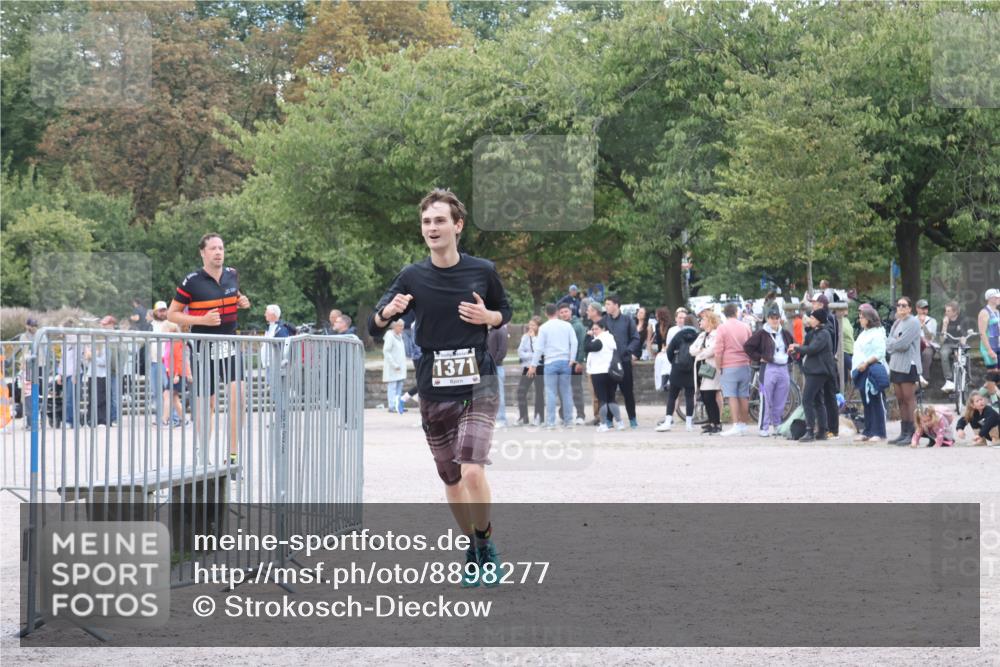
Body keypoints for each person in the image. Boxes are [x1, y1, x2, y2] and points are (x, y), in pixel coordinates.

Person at [367, 188, 512, 587]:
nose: (433, 227)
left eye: (440, 220)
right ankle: (472, 547)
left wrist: (489, 315)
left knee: (471, 472)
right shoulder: (412, 276)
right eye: (427, 222)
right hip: (433, 387)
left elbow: (506, 312)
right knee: (450, 479)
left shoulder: (481, 269)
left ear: (457, 225)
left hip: (478, 382)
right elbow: (373, 323)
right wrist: (387, 313)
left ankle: (487, 545)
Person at [168, 233, 252, 464]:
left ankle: (233, 455)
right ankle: (203, 453)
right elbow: (172, 314)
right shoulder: (192, 281)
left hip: (230, 343)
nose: (218, 253)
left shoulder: (232, 274)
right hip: (204, 347)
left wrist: (242, 301)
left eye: (221, 248)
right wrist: (202, 320)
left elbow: (233, 296)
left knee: (239, 395)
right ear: (203, 253)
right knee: (209, 403)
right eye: (213, 248)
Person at [743, 305, 794, 437]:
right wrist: (759, 358)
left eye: (777, 318)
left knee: (780, 399)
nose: (775, 320)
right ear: (767, 319)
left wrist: (792, 354)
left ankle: (777, 425)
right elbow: (748, 347)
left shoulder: (785, 333)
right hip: (768, 368)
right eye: (772, 318)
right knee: (766, 399)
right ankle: (763, 427)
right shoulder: (761, 333)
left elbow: (793, 346)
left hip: (783, 368)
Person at [788, 308, 836, 442]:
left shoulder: (824, 333)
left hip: (819, 371)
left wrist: (796, 347)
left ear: (819, 320)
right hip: (815, 370)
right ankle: (822, 431)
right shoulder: (814, 333)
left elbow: (812, 349)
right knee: (817, 401)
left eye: (813, 318)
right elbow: (806, 346)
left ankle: (810, 430)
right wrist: (796, 352)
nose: (810, 320)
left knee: (807, 400)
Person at [529, 303, 578, 429]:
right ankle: (568, 421)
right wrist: (572, 359)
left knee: (550, 392)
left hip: (550, 361)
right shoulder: (567, 325)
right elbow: (574, 342)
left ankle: (551, 422)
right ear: (557, 312)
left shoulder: (544, 328)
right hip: (565, 361)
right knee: (566, 392)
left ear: (546, 314)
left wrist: (533, 365)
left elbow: (539, 348)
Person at [885, 296, 922, 446]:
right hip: (895, 365)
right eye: (898, 305)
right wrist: (895, 342)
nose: (900, 307)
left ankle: (913, 432)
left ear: (909, 308)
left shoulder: (913, 322)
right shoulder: (897, 322)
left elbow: (903, 344)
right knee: (900, 399)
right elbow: (888, 343)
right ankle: (904, 432)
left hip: (908, 365)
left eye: (903, 305)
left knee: (909, 398)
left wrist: (894, 342)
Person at [851, 304, 889, 442]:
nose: (860, 319)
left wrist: (866, 363)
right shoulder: (863, 333)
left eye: (862, 317)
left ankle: (879, 432)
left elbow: (879, 353)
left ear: (869, 319)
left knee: (875, 400)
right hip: (861, 371)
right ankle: (868, 430)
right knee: (866, 402)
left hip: (872, 369)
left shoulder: (878, 333)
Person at [714, 302, 753, 437]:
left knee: (731, 396)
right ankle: (743, 424)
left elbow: (718, 350)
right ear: (736, 312)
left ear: (725, 313)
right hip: (744, 364)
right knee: (744, 395)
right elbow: (750, 345)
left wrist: (719, 367)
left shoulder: (722, 328)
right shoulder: (746, 327)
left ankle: (735, 424)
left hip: (729, 365)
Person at [604, 294, 641, 428]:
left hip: (624, 361)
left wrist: (628, 350)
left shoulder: (627, 320)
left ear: (616, 305)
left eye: (608, 304)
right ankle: (609, 419)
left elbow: (636, 338)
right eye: (606, 304)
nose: (606, 307)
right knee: (609, 392)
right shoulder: (604, 321)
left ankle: (632, 418)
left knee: (627, 392)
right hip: (608, 362)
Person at [658, 314, 699, 432]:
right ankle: (689, 423)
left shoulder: (678, 335)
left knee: (672, 396)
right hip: (691, 370)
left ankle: (667, 421)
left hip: (677, 369)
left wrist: (674, 363)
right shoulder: (698, 336)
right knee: (690, 396)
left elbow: (669, 352)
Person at [585, 319, 625, 432]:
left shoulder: (600, 340)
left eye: (596, 329)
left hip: (599, 372)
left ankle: (603, 424)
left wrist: (587, 336)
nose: (594, 331)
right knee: (611, 398)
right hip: (611, 372)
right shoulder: (611, 338)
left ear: (603, 329)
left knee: (602, 399)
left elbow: (587, 347)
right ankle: (620, 422)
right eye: (592, 329)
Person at [691, 308, 722, 434]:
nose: (700, 321)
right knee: (705, 396)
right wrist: (700, 352)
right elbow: (691, 349)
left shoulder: (716, 335)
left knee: (709, 395)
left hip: (712, 368)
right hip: (701, 369)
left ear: (710, 321)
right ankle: (711, 422)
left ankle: (716, 423)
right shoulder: (702, 335)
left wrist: (700, 353)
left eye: (703, 319)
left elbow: (712, 350)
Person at [558, 303, 587, 425]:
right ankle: (564, 413)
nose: (564, 314)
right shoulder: (559, 326)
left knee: (576, 389)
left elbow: (582, 344)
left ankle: (580, 414)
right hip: (562, 362)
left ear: (570, 312)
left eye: (566, 311)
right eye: (562, 312)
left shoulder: (578, 326)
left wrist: (580, 361)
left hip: (575, 362)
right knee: (562, 389)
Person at [516, 317, 544, 426]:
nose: (530, 327)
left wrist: (533, 339)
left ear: (538, 326)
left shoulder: (541, 337)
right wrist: (532, 356)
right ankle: (523, 417)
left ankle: (539, 417)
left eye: (533, 325)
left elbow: (540, 352)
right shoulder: (525, 337)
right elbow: (520, 352)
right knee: (521, 391)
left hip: (539, 367)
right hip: (527, 367)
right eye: (530, 325)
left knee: (539, 393)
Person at [162, 321, 191, 427]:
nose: (162, 330)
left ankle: (164, 420)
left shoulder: (177, 342)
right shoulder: (169, 342)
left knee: (167, 394)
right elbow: (167, 358)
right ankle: (184, 420)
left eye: (164, 328)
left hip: (176, 374)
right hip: (172, 373)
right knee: (174, 398)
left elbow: (180, 359)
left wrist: (176, 375)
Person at [939, 301, 972, 392]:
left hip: (959, 343)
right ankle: (949, 380)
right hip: (948, 343)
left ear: (955, 312)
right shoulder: (944, 320)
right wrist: (945, 325)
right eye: (946, 311)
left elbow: (966, 334)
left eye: (948, 311)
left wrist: (964, 338)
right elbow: (941, 340)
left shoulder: (963, 319)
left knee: (965, 355)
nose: (946, 313)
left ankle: (968, 378)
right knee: (943, 353)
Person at [149, 301, 172, 425]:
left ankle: (173, 418)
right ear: (155, 312)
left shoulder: (170, 324)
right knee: (156, 392)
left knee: (168, 392)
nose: (163, 312)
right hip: (154, 362)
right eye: (160, 310)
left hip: (166, 361)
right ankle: (160, 418)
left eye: (164, 310)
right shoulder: (150, 325)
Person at [585, 302, 606, 424]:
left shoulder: (604, 324)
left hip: (601, 365)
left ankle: (602, 417)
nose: (587, 312)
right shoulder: (589, 324)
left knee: (600, 393)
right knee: (594, 393)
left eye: (589, 310)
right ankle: (597, 416)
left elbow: (589, 346)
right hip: (591, 364)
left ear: (595, 311)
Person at [383, 320, 408, 414]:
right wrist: (394, 365)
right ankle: (392, 405)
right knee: (392, 386)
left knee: (399, 386)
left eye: (403, 326)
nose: (402, 328)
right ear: (394, 326)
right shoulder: (390, 336)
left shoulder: (400, 336)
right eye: (400, 326)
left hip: (400, 367)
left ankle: (398, 405)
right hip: (393, 367)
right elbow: (386, 351)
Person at [487, 322, 509, 426]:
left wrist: (493, 363)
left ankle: (502, 419)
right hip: (491, 367)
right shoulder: (492, 330)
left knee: (499, 394)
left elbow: (502, 350)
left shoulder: (500, 330)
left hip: (496, 367)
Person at [915, 299, 937, 388]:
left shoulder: (932, 321)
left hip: (928, 346)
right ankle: (915, 377)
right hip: (915, 345)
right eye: (922, 308)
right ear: (917, 309)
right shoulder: (912, 320)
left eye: (926, 308)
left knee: (926, 354)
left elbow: (930, 338)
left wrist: (923, 325)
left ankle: (924, 378)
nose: (924, 311)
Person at [978, 288, 1000, 370]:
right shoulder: (984, 313)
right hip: (989, 347)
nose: (999, 299)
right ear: (990, 298)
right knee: (993, 376)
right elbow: (982, 333)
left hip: (998, 346)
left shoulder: (997, 312)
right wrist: (989, 350)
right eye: (996, 297)